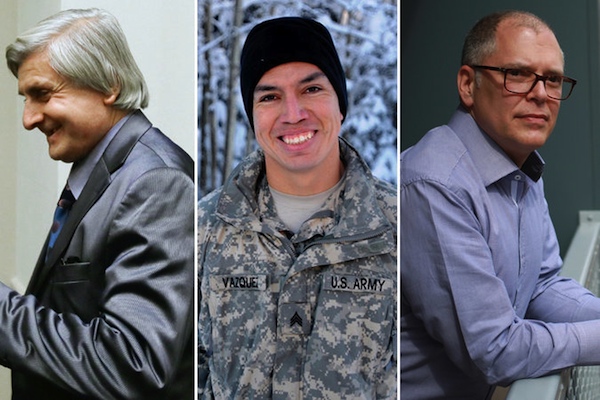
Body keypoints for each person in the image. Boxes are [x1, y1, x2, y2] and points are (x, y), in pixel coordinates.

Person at [401, 9, 600, 399]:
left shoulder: (520, 162)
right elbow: (494, 351)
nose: (541, 93)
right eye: (518, 74)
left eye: (553, 79)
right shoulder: (432, 183)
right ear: (467, 84)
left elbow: (541, 286)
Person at [197, 17, 397, 399]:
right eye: (269, 96)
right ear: (253, 116)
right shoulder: (207, 228)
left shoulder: (395, 227)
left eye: (311, 89)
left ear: (341, 104)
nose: (292, 113)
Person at [2, 8, 194, 399]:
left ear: (109, 85)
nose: (28, 119)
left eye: (42, 94)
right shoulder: (107, 174)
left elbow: (131, 364)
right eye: (25, 98)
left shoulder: (157, 183)